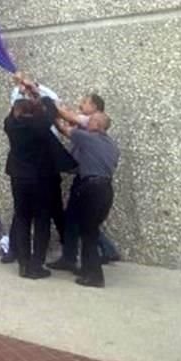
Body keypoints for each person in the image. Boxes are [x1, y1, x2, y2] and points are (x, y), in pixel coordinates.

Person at [51, 112, 120, 288]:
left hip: (91, 188)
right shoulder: (111, 145)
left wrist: (51, 112)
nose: (87, 122)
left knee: (89, 234)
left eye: (91, 120)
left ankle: (95, 277)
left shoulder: (88, 138)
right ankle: (87, 269)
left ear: (98, 125)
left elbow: (63, 128)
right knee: (88, 230)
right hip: (104, 189)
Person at [3, 95, 58, 279]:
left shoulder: (10, 126)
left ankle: (24, 264)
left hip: (18, 178)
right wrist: (42, 98)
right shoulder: (39, 126)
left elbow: (11, 115)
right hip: (40, 179)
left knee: (22, 218)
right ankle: (37, 265)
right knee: (42, 221)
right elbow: (52, 111)